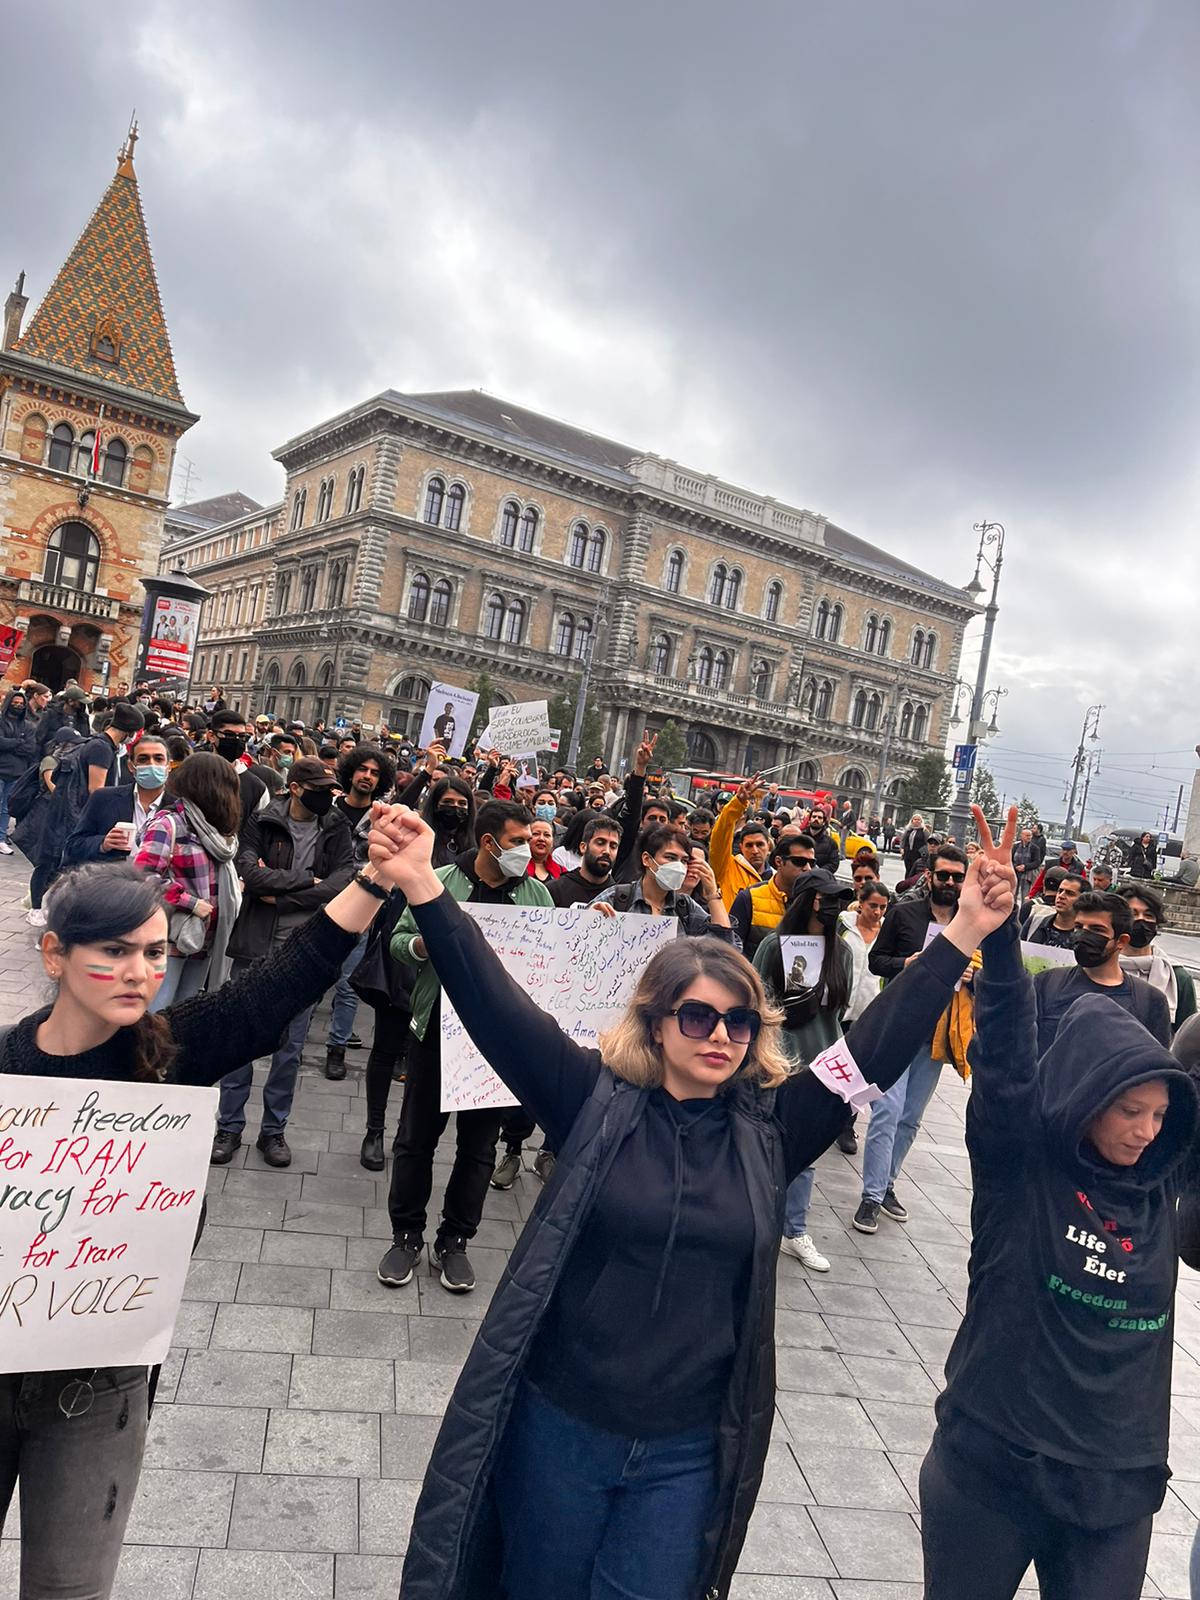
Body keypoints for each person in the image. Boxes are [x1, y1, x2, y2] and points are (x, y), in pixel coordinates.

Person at [363, 799, 1011, 1600]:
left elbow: (869, 1051)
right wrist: (425, 884)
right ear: (657, 1020)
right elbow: (497, 1006)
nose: (719, 1035)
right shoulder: (587, 1099)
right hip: (561, 1427)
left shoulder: (777, 1126)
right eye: (698, 1015)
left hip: (688, 1451)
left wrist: (967, 931)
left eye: (739, 1021)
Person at [0, 849, 406, 1600]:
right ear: (54, 955)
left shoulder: (169, 1053)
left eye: (154, 952)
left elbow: (283, 982)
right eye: (114, 951)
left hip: (98, 1387)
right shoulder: (4, 1069)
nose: (139, 970)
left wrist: (376, 879)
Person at [918, 810, 1199, 1600]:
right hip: (990, 1471)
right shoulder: (1023, 1174)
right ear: (1082, 1099)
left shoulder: (1159, 1185)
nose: (1146, 1132)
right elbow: (1007, 1062)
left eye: (1160, 1115)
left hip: (1113, 1493)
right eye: (1127, 1110)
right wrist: (1000, 934)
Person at [380, 800, 554, 1293]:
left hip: (498, 1040)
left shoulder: (536, 893)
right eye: (518, 842)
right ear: (488, 843)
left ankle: (454, 1241)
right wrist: (421, 947)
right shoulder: (439, 880)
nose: (527, 850)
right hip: (437, 1027)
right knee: (416, 1138)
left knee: (478, 1148)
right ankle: (406, 1235)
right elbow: (398, 940)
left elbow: (550, 950)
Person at [212, 757, 355, 1167]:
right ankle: (230, 1126)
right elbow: (249, 875)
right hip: (256, 942)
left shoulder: (336, 826)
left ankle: (273, 1131)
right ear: (294, 787)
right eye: (320, 788)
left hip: (307, 947)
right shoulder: (264, 820)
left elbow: (341, 880)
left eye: (331, 789)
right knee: (240, 1037)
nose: (328, 795)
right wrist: (307, 882)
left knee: (290, 1047)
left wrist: (287, 893)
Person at [854, 842, 971, 1233]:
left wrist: (976, 978)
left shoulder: (970, 923)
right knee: (887, 1110)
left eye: (957, 877)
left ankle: (887, 1184)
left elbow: (994, 976)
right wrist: (908, 963)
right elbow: (876, 961)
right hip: (900, 1023)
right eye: (944, 876)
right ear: (930, 877)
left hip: (939, 1031)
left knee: (911, 1118)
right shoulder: (905, 914)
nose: (950, 883)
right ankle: (870, 1197)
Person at [754, 867, 855, 1272]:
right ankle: (757, 1222)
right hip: (776, 1062)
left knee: (807, 1154)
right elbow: (757, 1001)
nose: (833, 906)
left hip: (822, 1067)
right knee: (763, 1144)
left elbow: (839, 1013)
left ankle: (794, 1230)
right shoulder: (774, 947)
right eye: (825, 898)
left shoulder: (842, 953)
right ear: (807, 901)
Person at [132, 749, 242, 1011]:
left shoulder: (217, 833)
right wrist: (190, 902)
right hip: (170, 940)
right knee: (157, 1014)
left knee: (184, 1016)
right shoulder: (169, 824)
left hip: (205, 942)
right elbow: (141, 877)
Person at [322, 743, 396, 1077]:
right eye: (362, 769)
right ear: (350, 772)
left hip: (363, 907)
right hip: (322, 903)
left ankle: (336, 1048)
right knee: (311, 973)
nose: (367, 776)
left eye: (375, 773)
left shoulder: (383, 818)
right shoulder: (328, 810)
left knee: (349, 983)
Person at [1033, 890, 1171, 1055]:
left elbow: (1154, 1069)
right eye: (1079, 927)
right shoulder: (1046, 983)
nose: (1083, 935)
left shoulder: (1150, 1001)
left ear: (1121, 941)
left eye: (1097, 930)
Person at [591, 822, 735, 941]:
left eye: (684, 860)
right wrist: (590, 919)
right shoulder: (617, 898)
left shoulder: (684, 907)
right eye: (670, 858)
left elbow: (725, 947)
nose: (678, 866)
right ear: (647, 859)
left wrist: (713, 895)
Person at [61, 730, 172, 867]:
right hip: (113, 882)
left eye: (158, 759)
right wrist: (103, 843)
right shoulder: (104, 799)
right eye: (143, 759)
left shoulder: (180, 807)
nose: (151, 764)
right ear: (131, 766)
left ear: (168, 767)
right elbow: (73, 846)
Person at [1118, 883, 1198, 1035]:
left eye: (1148, 915)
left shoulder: (1177, 978)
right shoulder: (1100, 968)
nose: (1141, 920)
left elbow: (1188, 1037)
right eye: (1132, 914)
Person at [728, 833, 816, 957]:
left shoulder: (815, 901)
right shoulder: (750, 897)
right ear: (779, 862)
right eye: (799, 861)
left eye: (812, 863)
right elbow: (731, 950)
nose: (807, 868)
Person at [204, 709, 268, 824]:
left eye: (242, 736)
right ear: (212, 736)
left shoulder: (257, 788)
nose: (237, 740)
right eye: (229, 735)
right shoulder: (194, 775)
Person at [548, 814, 622, 907]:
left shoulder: (621, 898)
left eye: (613, 846)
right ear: (583, 847)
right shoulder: (555, 890)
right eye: (600, 843)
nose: (607, 851)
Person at [0, 686, 37, 854]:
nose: (18, 705)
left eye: (21, 703)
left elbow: (30, 748)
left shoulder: (28, 726)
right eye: (15, 702)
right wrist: (18, 742)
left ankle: (1, 838)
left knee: (7, 808)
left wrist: (10, 744)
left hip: (16, 772)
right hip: (1, 769)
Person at [1026, 871, 1086, 950]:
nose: (1061, 896)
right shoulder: (1036, 921)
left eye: (1070, 893)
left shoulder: (1084, 936)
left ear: (1082, 900)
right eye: (1060, 891)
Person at [527, 816, 562, 883]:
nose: (541, 839)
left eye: (547, 835)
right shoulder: (518, 869)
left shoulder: (561, 871)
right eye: (536, 834)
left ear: (552, 842)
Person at [901, 812, 928, 876]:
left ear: (921, 821)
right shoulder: (908, 830)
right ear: (912, 820)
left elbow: (927, 842)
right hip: (908, 853)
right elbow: (903, 840)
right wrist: (902, 848)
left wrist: (924, 853)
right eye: (915, 819)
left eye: (918, 820)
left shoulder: (924, 831)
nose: (916, 821)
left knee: (914, 870)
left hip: (918, 854)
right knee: (908, 869)